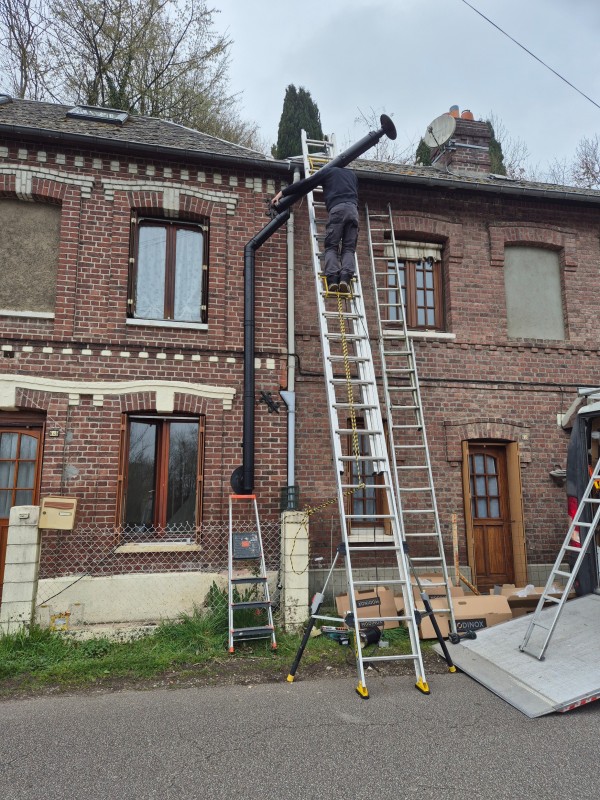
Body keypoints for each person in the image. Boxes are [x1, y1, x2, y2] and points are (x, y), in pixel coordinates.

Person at [272, 165, 359, 293]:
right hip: (353, 211)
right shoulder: (352, 175)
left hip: (337, 210)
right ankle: (345, 279)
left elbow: (305, 184)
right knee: (349, 248)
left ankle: (333, 280)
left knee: (331, 246)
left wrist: (282, 193)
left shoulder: (328, 172)